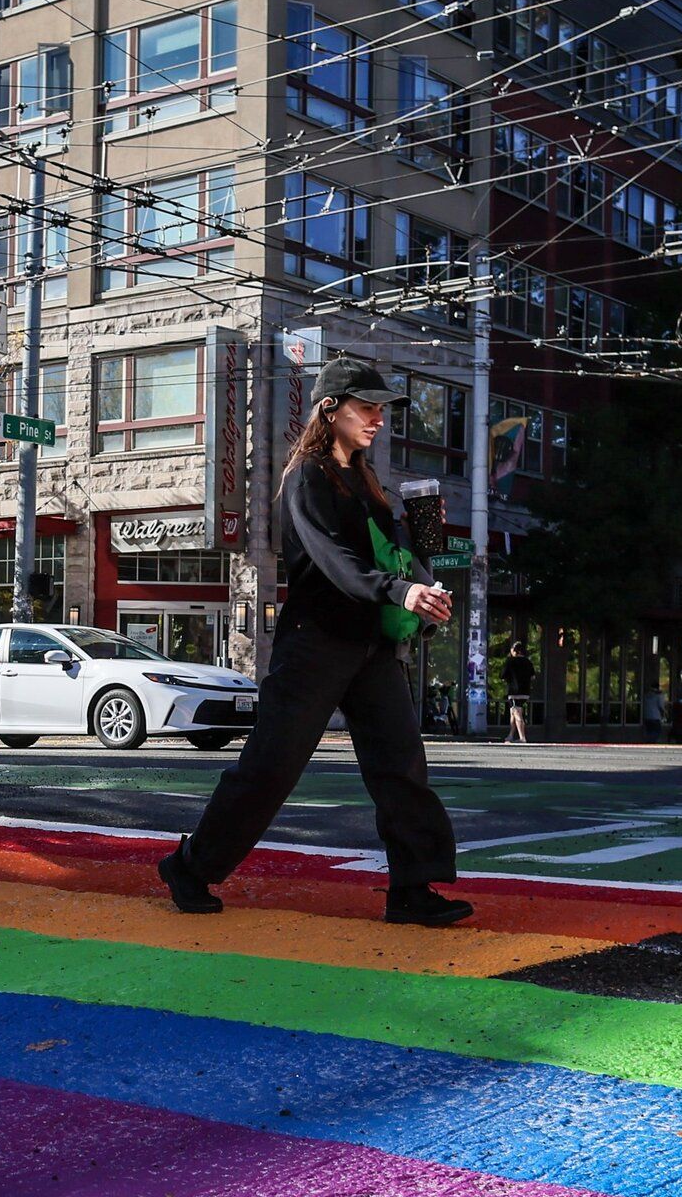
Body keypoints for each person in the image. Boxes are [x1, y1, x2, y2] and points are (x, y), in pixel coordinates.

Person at [157, 357, 471, 927]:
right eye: (367, 407)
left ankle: (412, 890)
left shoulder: (370, 481)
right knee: (270, 768)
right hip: (316, 645)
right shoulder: (307, 475)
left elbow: (385, 560)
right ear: (331, 409)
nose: (379, 418)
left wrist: (424, 570)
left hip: (372, 648)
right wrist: (398, 591)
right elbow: (335, 560)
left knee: (401, 765)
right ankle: (190, 866)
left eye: (382, 409)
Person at [502, 640, 536, 743]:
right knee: (513, 713)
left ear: (514, 650)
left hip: (514, 692)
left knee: (517, 713)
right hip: (525, 691)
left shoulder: (510, 661)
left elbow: (503, 676)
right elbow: (533, 677)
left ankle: (522, 737)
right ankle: (511, 735)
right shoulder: (528, 662)